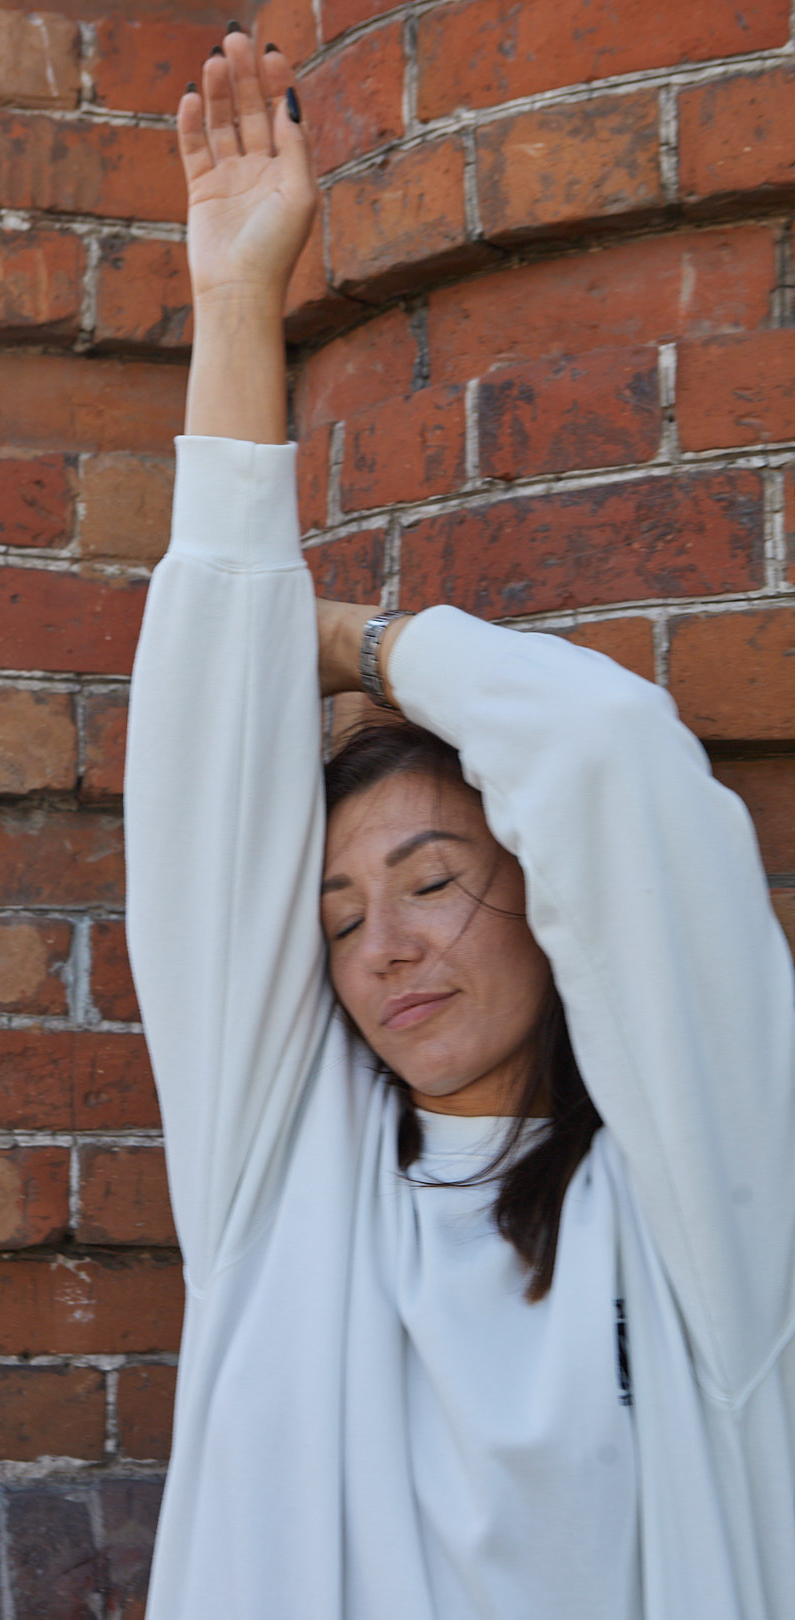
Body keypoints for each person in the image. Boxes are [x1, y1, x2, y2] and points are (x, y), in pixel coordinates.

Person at [123, 28, 795, 1620]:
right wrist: (238, 302)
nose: (383, 948)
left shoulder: (702, 1197)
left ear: (556, 911)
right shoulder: (283, 1175)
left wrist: (358, 644)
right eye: (341, 916)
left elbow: (610, 755)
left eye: (432, 881)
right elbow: (204, 757)